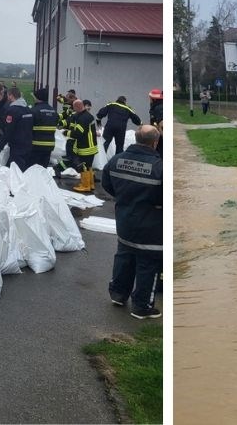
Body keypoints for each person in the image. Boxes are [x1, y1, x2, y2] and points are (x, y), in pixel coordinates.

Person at [103, 125, 163, 319]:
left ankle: (118, 294)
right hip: (151, 226)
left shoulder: (116, 160)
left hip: (125, 221)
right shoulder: (159, 168)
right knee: (148, 264)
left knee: (125, 256)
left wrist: (124, 199)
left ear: (136, 139)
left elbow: (107, 184)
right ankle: (142, 306)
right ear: (155, 142)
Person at [65, 99, 99, 193]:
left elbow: (78, 133)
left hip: (86, 147)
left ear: (77, 107)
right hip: (91, 146)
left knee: (84, 166)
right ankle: (91, 184)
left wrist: (66, 133)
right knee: (89, 166)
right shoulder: (87, 116)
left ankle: (85, 186)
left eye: (74, 108)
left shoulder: (83, 118)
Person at [0, 87, 34, 171]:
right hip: (28, 144)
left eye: (8, 95)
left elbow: (9, 130)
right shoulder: (28, 109)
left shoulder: (12, 110)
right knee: (23, 168)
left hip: (17, 145)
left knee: (17, 170)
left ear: (11, 96)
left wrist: (0, 146)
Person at [29, 88, 59, 171]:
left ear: (38, 98)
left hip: (36, 145)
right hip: (49, 145)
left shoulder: (34, 111)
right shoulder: (54, 111)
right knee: (43, 169)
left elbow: (27, 128)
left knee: (33, 169)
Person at [148, 88, 164, 154]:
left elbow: (161, 123)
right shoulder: (155, 106)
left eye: (150, 98)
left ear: (154, 99)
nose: (149, 100)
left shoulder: (159, 108)